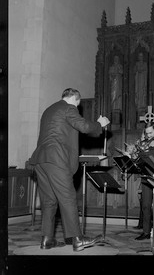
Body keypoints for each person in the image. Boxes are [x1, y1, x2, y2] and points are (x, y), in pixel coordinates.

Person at [29, 88, 110, 252]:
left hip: (40, 160)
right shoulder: (69, 108)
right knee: (68, 198)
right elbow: (84, 127)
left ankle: (47, 239)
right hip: (56, 160)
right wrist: (99, 124)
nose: (78, 107)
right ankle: (78, 239)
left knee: (49, 201)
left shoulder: (49, 110)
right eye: (78, 103)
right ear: (75, 99)